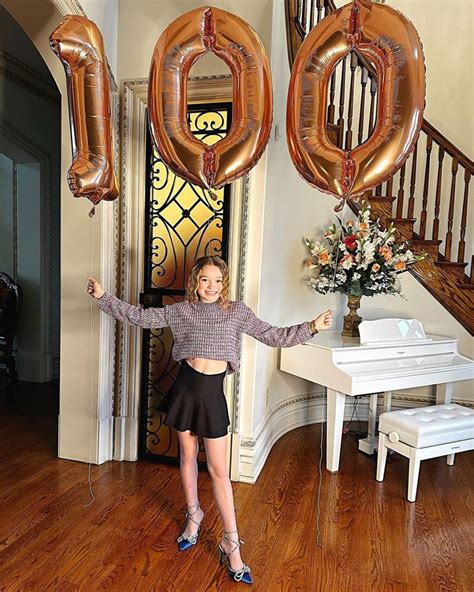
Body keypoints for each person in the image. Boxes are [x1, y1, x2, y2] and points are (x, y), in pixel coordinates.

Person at [87, 255, 332, 585]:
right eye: (205, 280)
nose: (211, 287)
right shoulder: (181, 310)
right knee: (187, 456)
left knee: (218, 471)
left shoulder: (236, 312)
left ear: (225, 283)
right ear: (195, 281)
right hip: (185, 390)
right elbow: (139, 317)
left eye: (218, 280)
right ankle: (194, 516)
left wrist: (312, 327)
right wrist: (104, 297)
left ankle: (231, 542)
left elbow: (273, 335)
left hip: (211, 396)